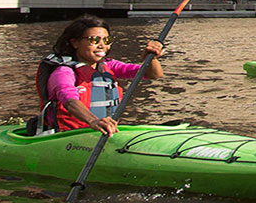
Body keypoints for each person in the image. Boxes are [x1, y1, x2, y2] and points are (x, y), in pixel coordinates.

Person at [34, 15, 164, 136]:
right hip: (68, 136)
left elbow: (154, 75)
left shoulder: (110, 66)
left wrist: (151, 59)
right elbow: (70, 101)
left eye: (107, 40)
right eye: (94, 40)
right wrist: (93, 121)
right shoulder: (64, 71)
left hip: (102, 132)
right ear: (75, 43)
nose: (102, 45)